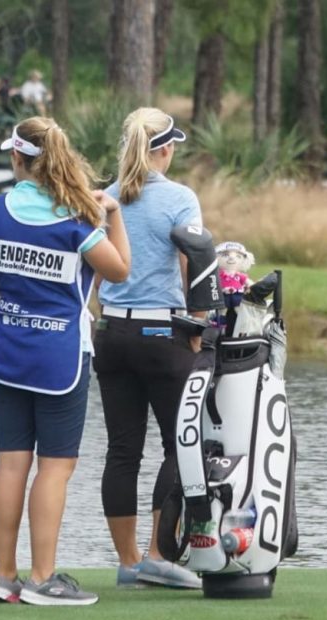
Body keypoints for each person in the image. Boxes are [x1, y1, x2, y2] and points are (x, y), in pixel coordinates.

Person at [0, 116, 131, 605]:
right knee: (54, 468)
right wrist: (114, 216)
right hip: (59, 356)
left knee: (10, 463)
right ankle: (42, 579)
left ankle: (5, 578)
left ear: (17, 159)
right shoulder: (79, 219)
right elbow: (120, 271)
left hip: (5, 350)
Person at [93, 107, 204, 589]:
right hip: (162, 336)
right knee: (181, 447)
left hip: (112, 334)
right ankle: (158, 554)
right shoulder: (180, 198)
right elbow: (194, 264)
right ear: (165, 149)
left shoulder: (106, 195)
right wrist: (199, 327)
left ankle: (129, 560)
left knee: (122, 450)